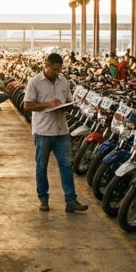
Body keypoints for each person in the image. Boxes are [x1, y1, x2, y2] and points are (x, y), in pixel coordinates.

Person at [24, 53, 86, 213]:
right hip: (43, 132)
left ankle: (71, 201)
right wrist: (48, 104)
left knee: (66, 166)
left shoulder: (63, 81)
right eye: (54, 70)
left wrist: (70, 105)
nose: (57, 73)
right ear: (46, 66)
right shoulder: (34, 82)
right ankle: (43, 199)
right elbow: (28, 105)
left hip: (61, 131)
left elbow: (69, 100)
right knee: (41, 167)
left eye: (59, 70)